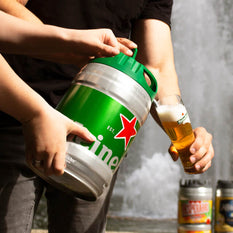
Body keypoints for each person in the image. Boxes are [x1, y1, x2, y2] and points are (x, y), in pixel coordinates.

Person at [0, 1, 214, 233]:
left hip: (100, 129)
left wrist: (184, 135)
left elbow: (156, 68)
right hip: (20, 112)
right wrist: (65, 45)